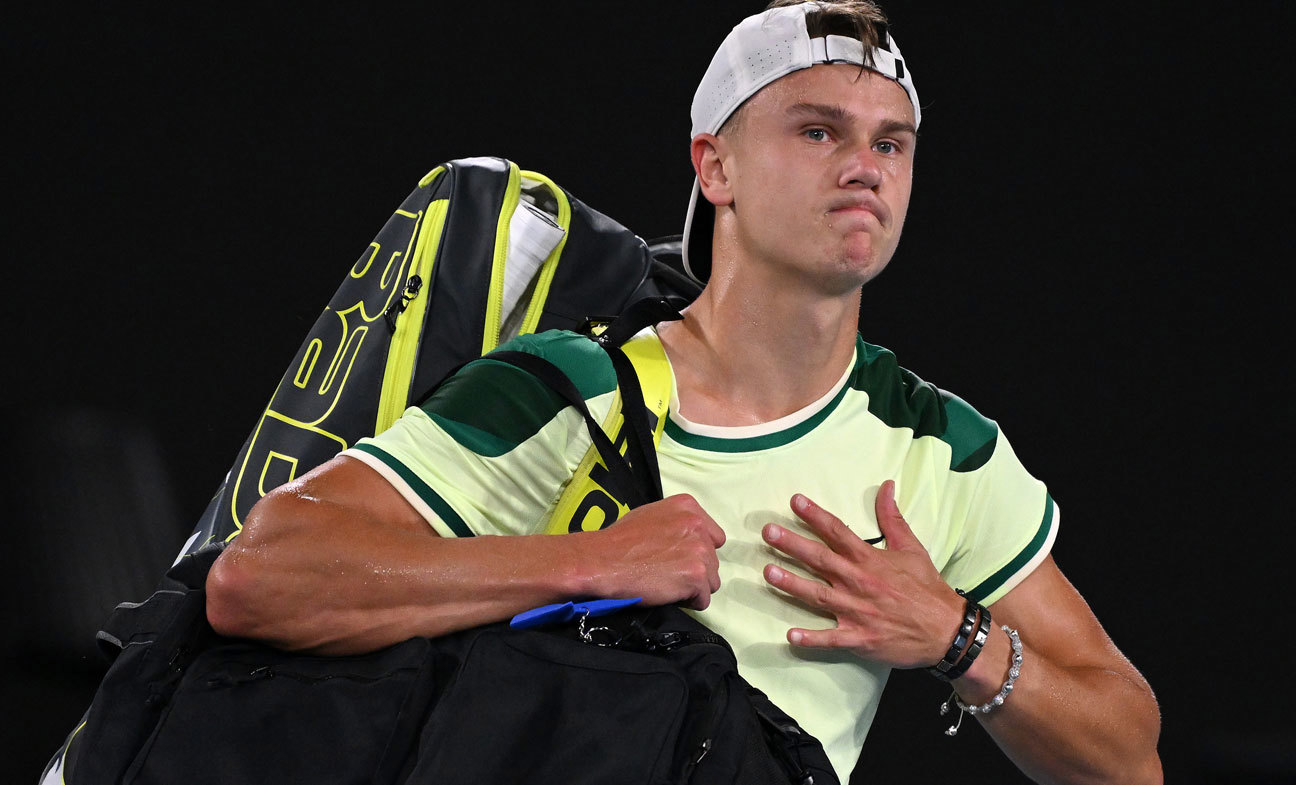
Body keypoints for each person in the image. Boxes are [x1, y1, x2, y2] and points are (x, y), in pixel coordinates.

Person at [205, 1, 1162, 781]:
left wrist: (958, 637)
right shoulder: (571, 386)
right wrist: (585, 562)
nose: (865, 166)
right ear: (716, 165)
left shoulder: (937, 447)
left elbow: (1128, 753)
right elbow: (259, 577)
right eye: (819, 130)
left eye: (893, 143)